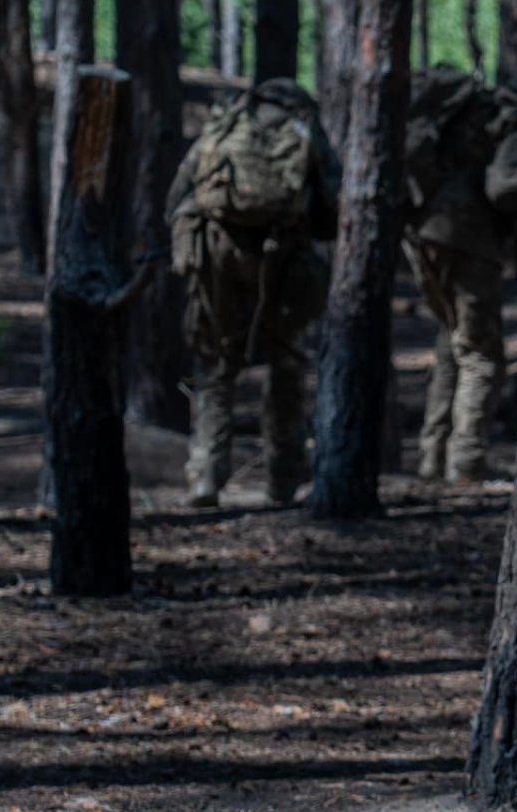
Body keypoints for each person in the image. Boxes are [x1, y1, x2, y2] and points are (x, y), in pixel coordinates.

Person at [403, 51, 517, 483]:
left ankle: (432, 455)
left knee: (453, 343)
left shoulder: (482, 108)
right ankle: (466, 463)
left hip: (424, 231)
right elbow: (504, 188)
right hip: (467, 240)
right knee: (483, 355)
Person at [167, 78, 340, 508]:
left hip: (215, 249)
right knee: (285, 364)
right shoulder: (303, 128)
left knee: (216, 365)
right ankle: (283, 480)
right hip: (281, 255)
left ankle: (206, 474)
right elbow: (330, 207)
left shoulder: (227, 122)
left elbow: (179, 191)